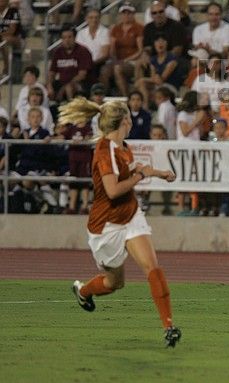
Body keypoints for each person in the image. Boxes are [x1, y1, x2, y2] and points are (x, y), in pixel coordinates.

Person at [59, 97, 181, 347]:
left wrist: (158, 173)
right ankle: (84, 292)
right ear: (123, 121)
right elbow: (113, 190)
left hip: (130, 214)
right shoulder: (105, 152)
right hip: (106, 226)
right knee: (115, 283)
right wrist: (139, 176)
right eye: (128, 119)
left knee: (152, 267)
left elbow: (132, 168)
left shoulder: (122, 146)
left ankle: (169, 326)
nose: (130, 123)